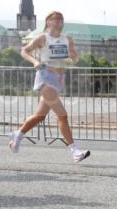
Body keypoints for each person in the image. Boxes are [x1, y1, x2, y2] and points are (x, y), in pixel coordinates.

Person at [8, 11, 91, 163]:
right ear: (48, 22)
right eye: (55, 19)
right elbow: (24, 51)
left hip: (59, 79)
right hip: (45, 78)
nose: (59, 21)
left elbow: (74, 57)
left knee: (40, 116)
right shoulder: (42, 38)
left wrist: (73, 58)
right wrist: (34, 62)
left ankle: (18, 135)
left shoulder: (67, 39)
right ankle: (75, 151)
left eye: (61, 19)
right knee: (62, 115)